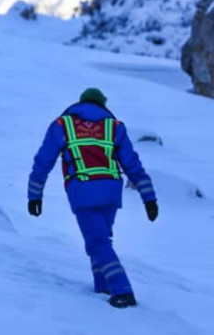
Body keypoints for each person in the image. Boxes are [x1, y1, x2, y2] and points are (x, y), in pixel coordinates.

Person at [28, 88, 159, 308]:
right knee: (101, 239)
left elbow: (43, 161)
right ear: (102, 105)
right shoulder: (113, 127)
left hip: (83, 190)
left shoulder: (63, 125)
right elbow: (133, 165)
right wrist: (149, 198)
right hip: (110, 192)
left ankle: (122, 290)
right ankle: (103, 286)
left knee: (97, 242)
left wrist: (35, 195)